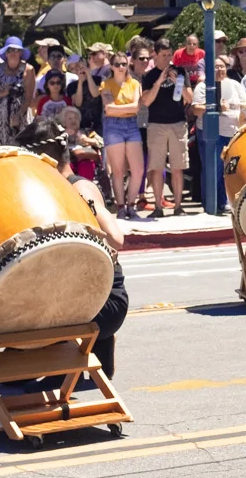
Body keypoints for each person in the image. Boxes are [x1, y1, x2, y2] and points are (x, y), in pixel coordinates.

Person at [18, 119, 129, 375]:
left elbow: (115, 238)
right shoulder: (52, 189)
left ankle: (76, 365)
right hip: (81, 296)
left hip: (103, 301)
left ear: (45, 160)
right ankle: (90, 357)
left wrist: (83, 211)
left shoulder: (79, 189)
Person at [139, 39, 191, 217]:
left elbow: (189, 98)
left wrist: (179, 82)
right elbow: (146, 101)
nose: (167, 59)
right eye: (163, 55)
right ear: (155, 54)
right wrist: (160, 81)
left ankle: (178, 207)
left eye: (170, 55)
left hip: (177, 123)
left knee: (178, 167)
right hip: (156, 124)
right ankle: (158, 208)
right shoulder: (149, 75)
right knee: (156, 166)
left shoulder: (181, 71)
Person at [99, 56, 145, 219]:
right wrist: (126, 108)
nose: (120, 67)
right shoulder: (106, 84)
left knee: (138, 170)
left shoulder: (135, 83)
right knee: (118, 171)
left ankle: (131, 205)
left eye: (124, 64)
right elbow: (108, 109)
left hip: (131, 125)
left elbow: (135, 108)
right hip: (113, 126)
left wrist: (117, 108)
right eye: (117, 64)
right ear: (111, 66)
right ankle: (120, 206)